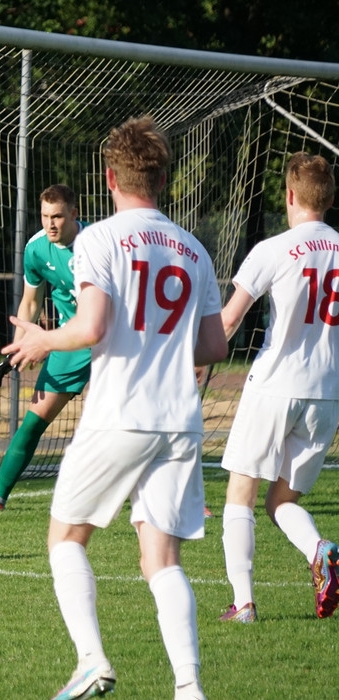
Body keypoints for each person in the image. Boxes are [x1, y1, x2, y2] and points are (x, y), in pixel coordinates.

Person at [3, 115, 227, 700]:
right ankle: (189, 687)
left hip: (121, 412)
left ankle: (92, 662)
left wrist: (41, 340)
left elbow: (91, 327)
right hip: (180, 420)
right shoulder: (194, 248)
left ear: (109, 178)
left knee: (66, 538)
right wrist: (162, 345)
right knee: (162, 560)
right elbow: (213, 347)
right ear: (163, 179)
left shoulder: (98, 239)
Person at [218, 152, 339, 623]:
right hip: (327, 394)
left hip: (275, 385)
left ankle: (244, 603)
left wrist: (188, 360)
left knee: (241, 493)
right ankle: (319, 549)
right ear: (329, 199)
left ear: (289, 195)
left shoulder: (273, 249)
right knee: (281, 500)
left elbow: (230, 321)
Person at [0, 184, 91, 514]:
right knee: (34, 421)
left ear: (74, 214)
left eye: (58, 216)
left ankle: (184, 499)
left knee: (138, 422)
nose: (50, 224)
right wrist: (18, 348)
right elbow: (30, 301)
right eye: (45, 216)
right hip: (69, 343)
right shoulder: (37, 248)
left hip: (113, 343)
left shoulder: (97, 244)